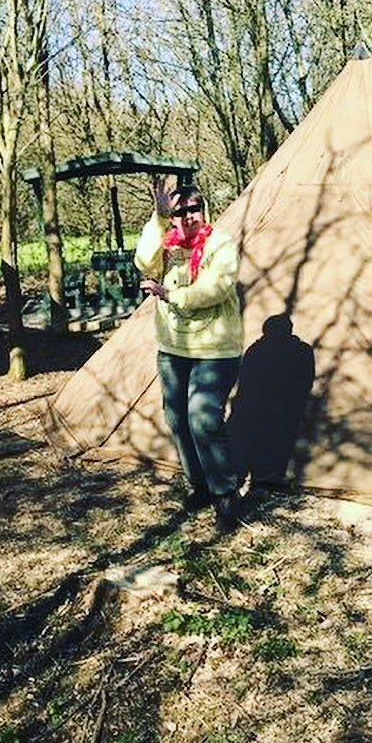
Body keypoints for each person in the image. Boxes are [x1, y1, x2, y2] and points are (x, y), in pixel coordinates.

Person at [135, 179, 244, 532]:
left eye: (193, 209)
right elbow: (143, 261)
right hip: (173, 348)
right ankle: (199, 484)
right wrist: (158, 218)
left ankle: (226, 494)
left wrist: (171, 295)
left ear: (204, 210)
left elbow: (216, 287)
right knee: (177, 418)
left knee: (202, 418)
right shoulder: (166, 245)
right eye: (179, 212)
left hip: (215, 349)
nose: (187, 217)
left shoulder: (221, 245)